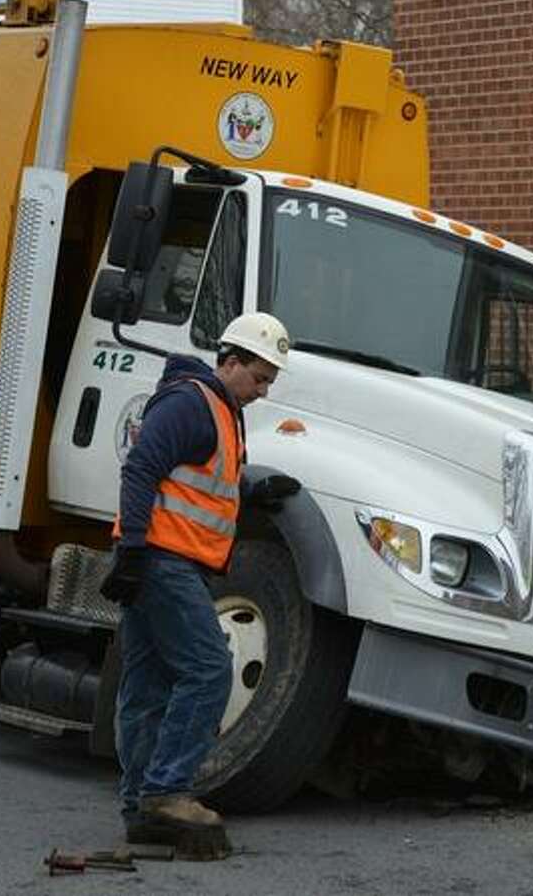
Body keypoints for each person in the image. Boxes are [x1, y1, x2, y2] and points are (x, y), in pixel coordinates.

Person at [100, 312, 301, 854]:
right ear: (230, 361)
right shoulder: (192, 402)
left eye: (269, 382)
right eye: (259, 377)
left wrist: (250, 492)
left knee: (146, 685)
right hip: (162, 559)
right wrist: (135, 549)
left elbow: (196, 486)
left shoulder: (222, 411)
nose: (262, 391)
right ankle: (167, 791)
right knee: (210, 667)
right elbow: (141, 468)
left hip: (165, 560)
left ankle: (140, 807)